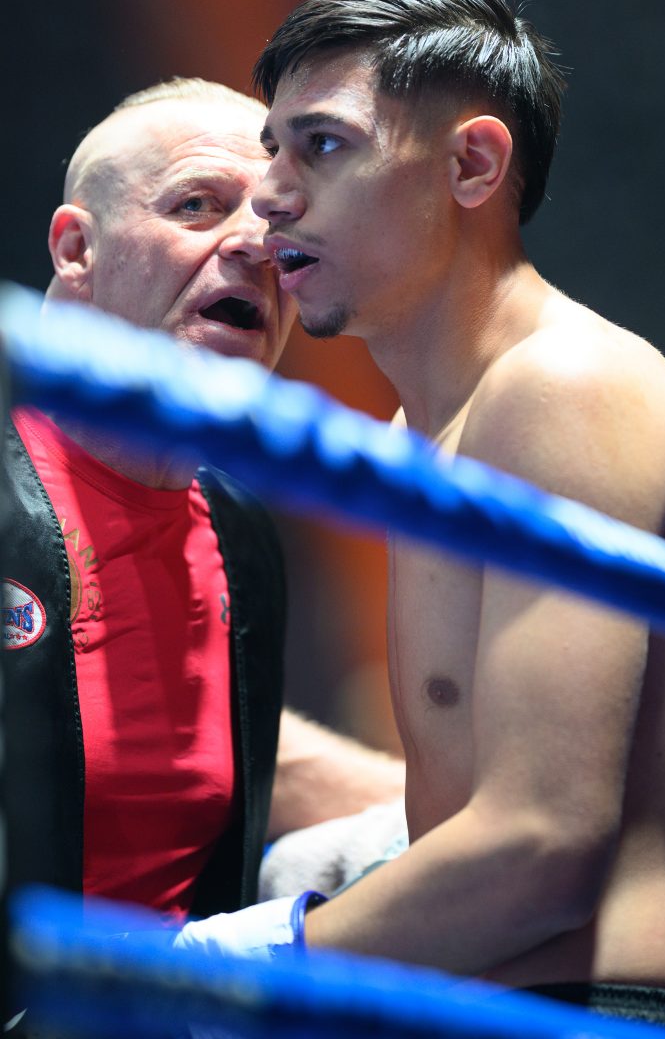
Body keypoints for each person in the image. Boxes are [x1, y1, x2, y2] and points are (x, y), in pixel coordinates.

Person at [175, 0, 665, 1035]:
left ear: (471, 164)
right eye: (272, 147)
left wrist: (256, 957)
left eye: (322, 145)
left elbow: (545, 842)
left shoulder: (562, 389)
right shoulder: (423, 437)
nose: (269, 192)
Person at [0, 77, 404, 940]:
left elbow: (205, 738)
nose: (254, 247)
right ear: (77, 249)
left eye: (277, 227)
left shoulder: (239, 527)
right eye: (197, 206)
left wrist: (494, 822)